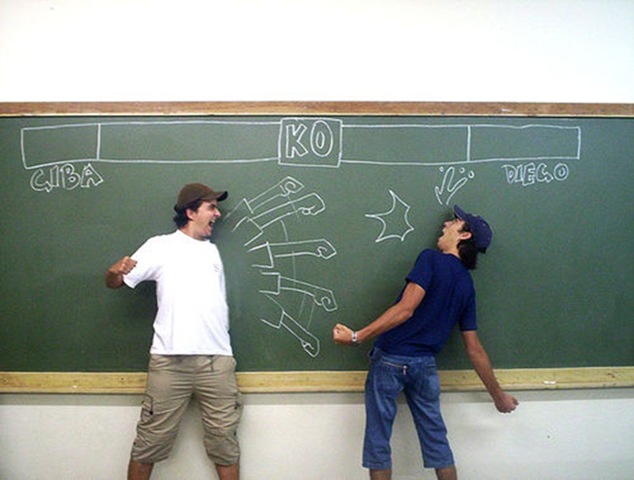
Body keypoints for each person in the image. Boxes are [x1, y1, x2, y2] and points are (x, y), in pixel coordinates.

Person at [333, 205, 519, 480]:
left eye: (454, 222)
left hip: (390, 359)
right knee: (437, 442)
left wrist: (357, 336)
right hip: (425, 366)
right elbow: (474, 349)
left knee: (378, 439)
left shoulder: (430, 259)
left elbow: (406, 309)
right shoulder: (466, 285)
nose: (445, 225)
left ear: (464, 235)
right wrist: (498, 395)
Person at [105, 183, 242, 480]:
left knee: (225, 444)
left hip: (217, 362)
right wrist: (113, 272)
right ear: (191, 212)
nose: (217, 214)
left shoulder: (213, 252)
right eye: (211, 207)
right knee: (148, 443)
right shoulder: (160, 246)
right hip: (169, 362)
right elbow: (118, 281)